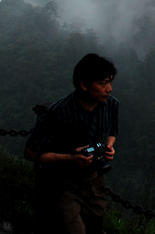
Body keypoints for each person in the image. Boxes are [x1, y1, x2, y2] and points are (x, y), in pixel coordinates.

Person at [24, 53, 119, 234]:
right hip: (63, 183)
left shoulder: (111, 105)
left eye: (111, 82)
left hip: (95, 180)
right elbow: (30, 152)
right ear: (84, 85)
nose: (109, 89)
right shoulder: (58, 112)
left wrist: (109, 147)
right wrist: (70, 158)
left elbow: (113, 130)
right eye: (103, 83)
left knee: (96, 225)